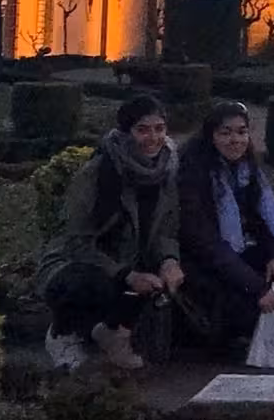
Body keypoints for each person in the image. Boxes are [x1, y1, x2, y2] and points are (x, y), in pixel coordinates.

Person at [36, 94, 184, 371]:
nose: (153, 137)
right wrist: (127, 274)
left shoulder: (167, 171)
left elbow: (167, 230)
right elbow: (76, 243)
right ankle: (63, 333)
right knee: (95, 284)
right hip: (77, 264)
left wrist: (169, 261)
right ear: (126, 133)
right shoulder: (97, 172)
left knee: (170, 281)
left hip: (132, 260)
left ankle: (112, 333)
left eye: (159, 128)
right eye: (142, 129)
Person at [175, 101, 274, 352]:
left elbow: (262, 223)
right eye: (225, 133)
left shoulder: (246, 171)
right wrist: (257, 287)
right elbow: (205, 243)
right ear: (210, 136)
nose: (235, 140)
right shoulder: (193, 176)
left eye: (241, 132)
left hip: (235, 253)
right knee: (248, 302)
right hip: (200, 261)